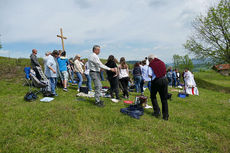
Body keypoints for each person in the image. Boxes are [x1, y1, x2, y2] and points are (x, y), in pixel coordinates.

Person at [148, 54, 169, 120]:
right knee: (164, 99)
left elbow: (150, 75)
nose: (149, 61)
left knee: (153, 96)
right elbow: (164, 72)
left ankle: (157, 112)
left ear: (151, 59)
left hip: (157, 81)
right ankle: (165, 116)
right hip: (165, 80)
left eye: (149, 60)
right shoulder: (162, 63)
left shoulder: (151, 65)